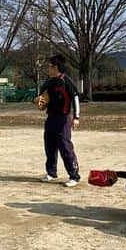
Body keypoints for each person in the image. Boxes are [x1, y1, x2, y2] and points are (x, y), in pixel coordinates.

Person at [38, 54, 81, 187]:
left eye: (50, 66)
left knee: (65, 146)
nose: (48, 69)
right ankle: (51, 173)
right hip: (51, 117)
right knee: (49, 146)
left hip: (63, 118)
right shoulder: (48, 82)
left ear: (56, 67)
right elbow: (41, 97)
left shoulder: (65, 81)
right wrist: (37, 101)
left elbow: (75, 98)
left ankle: (74, 175)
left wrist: (76, 117)